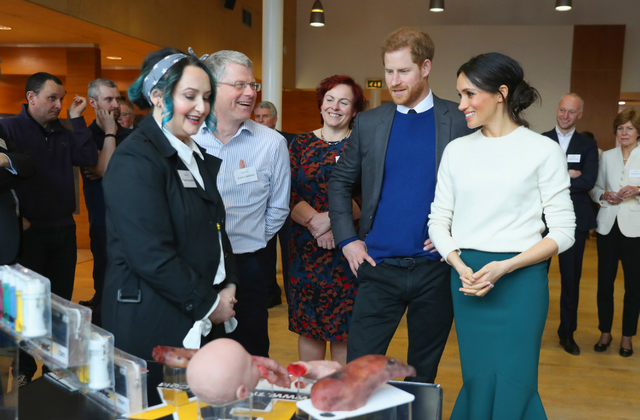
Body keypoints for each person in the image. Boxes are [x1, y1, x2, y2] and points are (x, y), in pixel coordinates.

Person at [428, 52, 575, 419]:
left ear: (501, 93)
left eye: (469, 94)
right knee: (476, 377)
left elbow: (564, 232)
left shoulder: (543, 150)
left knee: (515, 378)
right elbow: (437, 221)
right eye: (459, 94)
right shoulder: (457, 150)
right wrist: (460, 266)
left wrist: (505, 267)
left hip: (521, 281)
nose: (461, 104)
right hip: (467, 280)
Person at [328, 27, 472, 383]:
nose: (394, 80)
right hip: (378, 267)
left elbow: (481, 188)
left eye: (403, 71)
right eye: (389, 71)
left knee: (422, 373)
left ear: (425, 68)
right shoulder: (370, 122)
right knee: (359, 371)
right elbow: (340, 182)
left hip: (435, 271)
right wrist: (347, 240)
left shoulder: (459, 120)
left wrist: (455, 237)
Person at [101, 48, 239, 404]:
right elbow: (150, 254)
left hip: (190, 313)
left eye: (207, 97)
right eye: (189, 96)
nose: (201, 108)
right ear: (158, 96)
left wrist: (228, 283)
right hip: (152, 321)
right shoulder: (135, 159)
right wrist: (210, 303)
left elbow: (215, 227)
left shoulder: (190, 154)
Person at [0, 72, 98, 386]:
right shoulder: (8, 128)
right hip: (28, 232)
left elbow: (87, 157)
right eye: (52, 98)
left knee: (61, 304)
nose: (59, 104)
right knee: (28, 308)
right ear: (31, 97)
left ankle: (56, 370)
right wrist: (17, 216)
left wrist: (76, 119)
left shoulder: (64, 129)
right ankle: (26, 371)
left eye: (62, 98)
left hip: (63, 228)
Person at [193, 51, 290, 358]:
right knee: (196, 351)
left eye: (253, 85)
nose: (250, 93)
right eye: (239, 84)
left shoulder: (272, 143)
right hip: (194, 266)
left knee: (251, 350)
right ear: (212, 87)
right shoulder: (187, 137)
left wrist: (251, 242)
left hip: (249, 264)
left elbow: (278, 208)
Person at [288, 75, 365, 365]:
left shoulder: (361, 146)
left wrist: (332, 222)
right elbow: (288, 193)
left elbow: (367, 198)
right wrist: (315, 223)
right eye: (329, 99)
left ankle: (340, 401)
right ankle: (311, 400)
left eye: (344, 102)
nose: (335, 106)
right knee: (309, 328)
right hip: (304, 251)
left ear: (354, 110)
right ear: (320, 104)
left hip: (347, 251)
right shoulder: (299, 144)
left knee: (343, 330)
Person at [541, 93, 598, 355]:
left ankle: (567, 333)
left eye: (571, 112)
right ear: (557, 110)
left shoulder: (587, 145)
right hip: (539, 223)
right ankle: (531, 330)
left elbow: (587, 182)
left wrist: (557, 177)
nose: (565, 116)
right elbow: (533, 180)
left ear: (580, 115)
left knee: (571, 280)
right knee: (535, 278)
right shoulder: (541, 140)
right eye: (562, 110)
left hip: (575, 222)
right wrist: (569, 173)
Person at [77, 78, 134, 327]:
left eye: (117, 99)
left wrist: (107, 170)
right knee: (104, 287)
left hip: (133, 223)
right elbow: (108, 169)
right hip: (103, 223)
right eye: (108, 99)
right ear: (93, 103)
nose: (115, 105)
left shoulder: (134, 137)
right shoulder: (85, 137)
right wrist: (110, 132)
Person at [589, 108, 640, 358]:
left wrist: (638, 190)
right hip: (608, 226)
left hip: (635, 230)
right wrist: (603, 195)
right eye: (620, 128)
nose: (624, 132)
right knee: (604, 284)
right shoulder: (606, 156)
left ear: (638, 132)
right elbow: (595, 187)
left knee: (634, 286)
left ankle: (627, 336)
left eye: (629, 128)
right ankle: (605, 332)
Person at [253, 100, 297, 309]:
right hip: (260, 207)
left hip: (290, 208)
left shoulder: (291, 141)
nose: (261, 120)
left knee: (290, 253)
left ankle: (293, 295)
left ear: (275, 119)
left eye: (265, 116)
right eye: (257, 116)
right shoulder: (248, 142)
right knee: (264, 253)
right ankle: (270, 294)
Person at [0, 126, 36, 265]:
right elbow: (15, 175)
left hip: (7, 237)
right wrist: (12, 173)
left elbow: (28, 164)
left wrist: (4, 159)